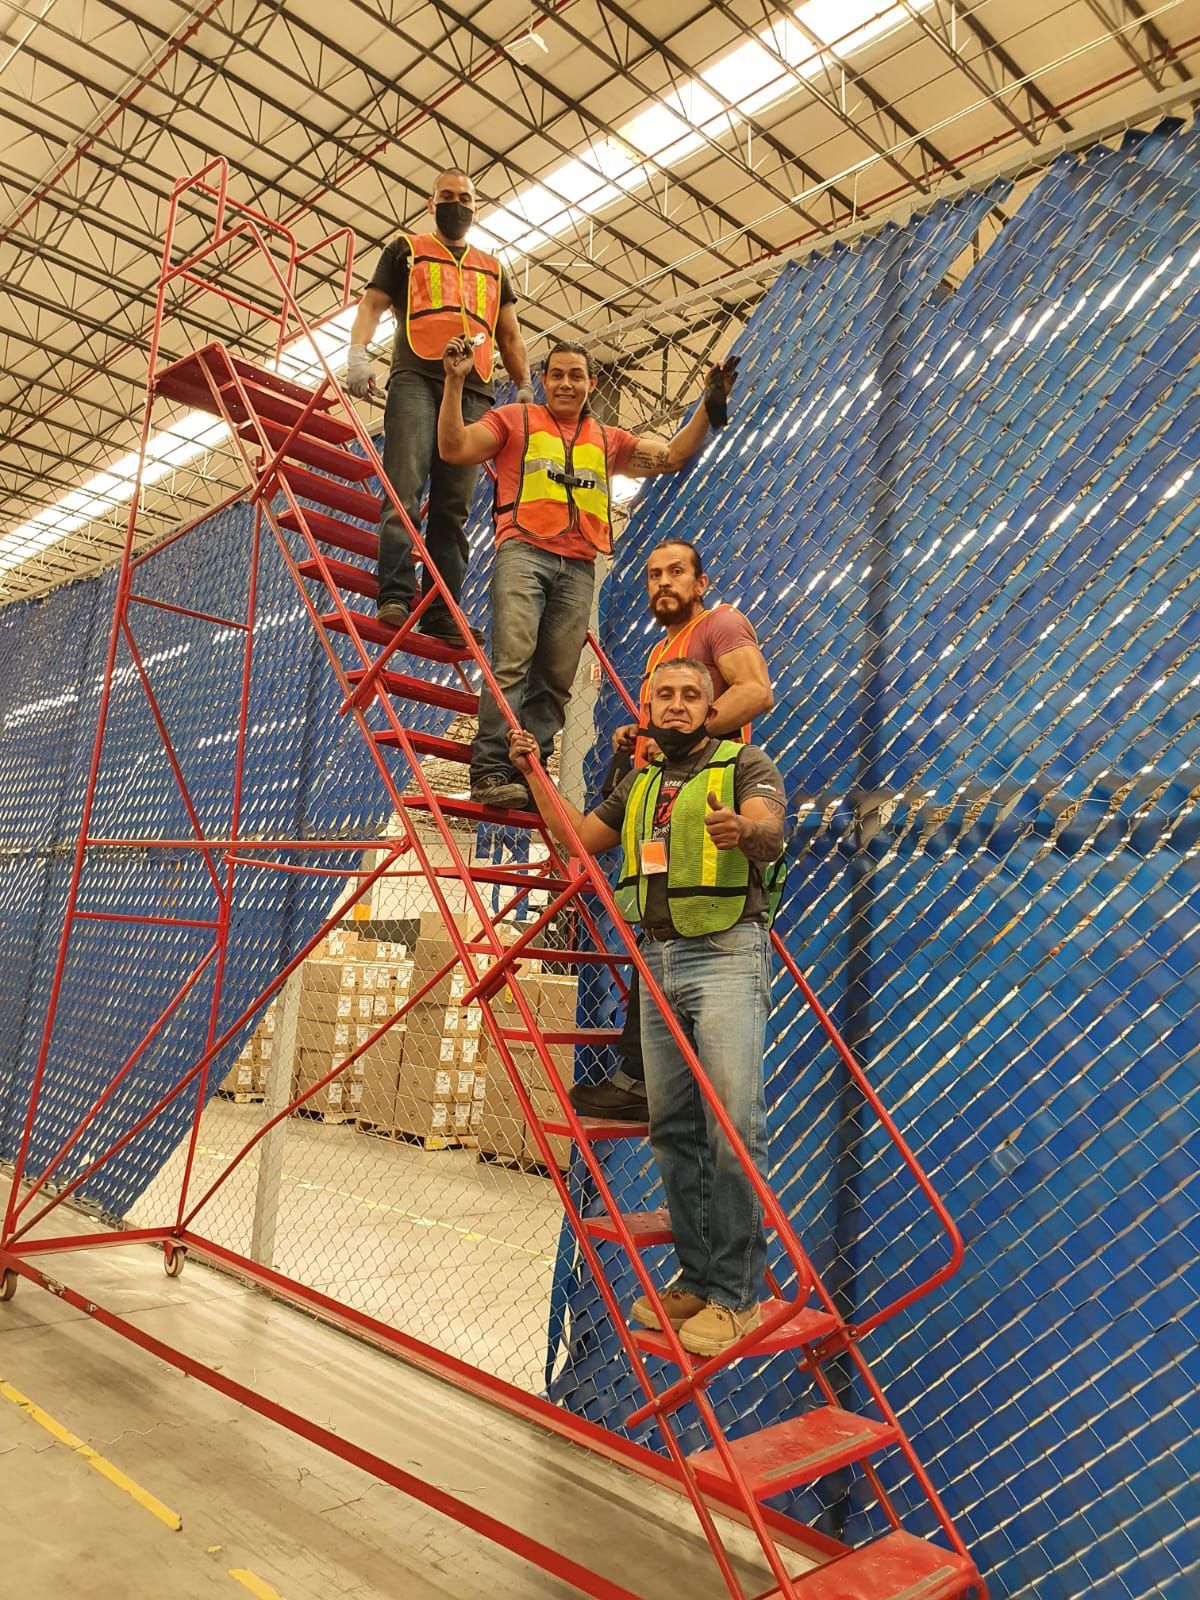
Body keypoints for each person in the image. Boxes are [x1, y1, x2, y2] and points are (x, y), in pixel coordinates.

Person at [508, 657, 787, 1356]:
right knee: (674, 1128)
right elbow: (580, 838)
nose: (678, 704)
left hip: (726, 953)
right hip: (658, 960)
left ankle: (736, 1295)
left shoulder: (745, 764)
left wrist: (743, 834)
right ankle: (696, 1278)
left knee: (732, 1126)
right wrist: (535, 776)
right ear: (651, 706)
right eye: (666, 694)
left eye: (692, 695)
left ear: (710, 706)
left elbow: (770, 830)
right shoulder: (640, 783)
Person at [438, 339, 739, 809]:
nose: (566, 383)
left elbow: (672, 455)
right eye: (557, 374)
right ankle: (492, 768)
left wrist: (706, 403)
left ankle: (532, 774)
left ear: (591, 383)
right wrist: (454, 382)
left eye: (576, 375)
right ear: (543, 381)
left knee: (557, 677)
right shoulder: (514, 421)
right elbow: (453, 446)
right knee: (513, 661)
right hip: (524, 552)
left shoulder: (606, 439)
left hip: (580, 564)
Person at [571, 538, 775, 1122]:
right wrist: (639, 736)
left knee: (681, 933)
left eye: (677, 572)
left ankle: (653, 1085)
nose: (664, 583)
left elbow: (756, 691)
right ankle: (640, 1079)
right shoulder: (667, 650)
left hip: (698, 805)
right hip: (657, 807)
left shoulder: (720, 623)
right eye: (654, 575)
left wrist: (679, 738)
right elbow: (666, 727)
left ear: (700, 581)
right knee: (656, 928)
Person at [343, 169, 533, 641]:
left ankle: (442, 608)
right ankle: (395, 593)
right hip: (416, 378)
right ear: (431, 204)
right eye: (447, 197)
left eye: (465, 197)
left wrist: (525, 386)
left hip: (473, 390)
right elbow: (372, 305)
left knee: (453, 506)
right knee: (405, 487)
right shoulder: (406, 250)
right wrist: (358, 354)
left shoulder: (493, 267)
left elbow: (509, 334)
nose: (457, 204)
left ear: (475, 205)